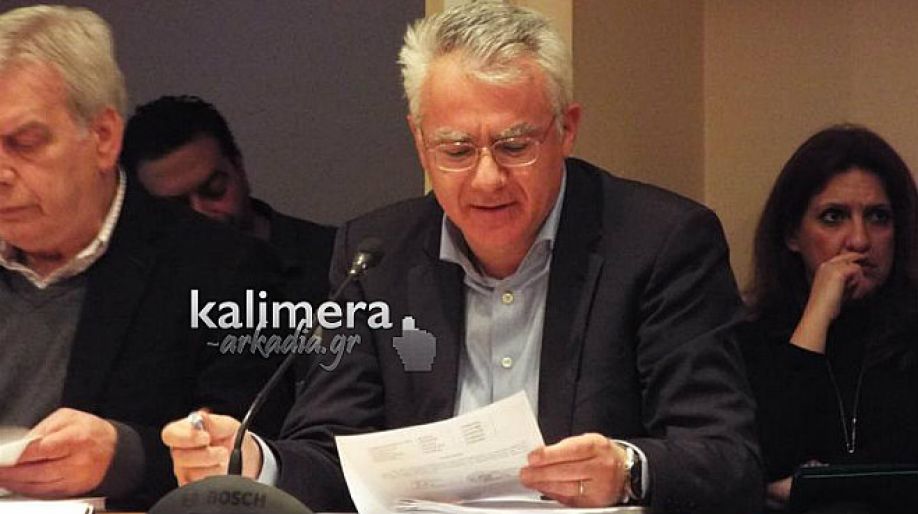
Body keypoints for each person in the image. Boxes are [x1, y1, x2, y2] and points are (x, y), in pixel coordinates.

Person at [162, 2, 763, 513]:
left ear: (567, 129)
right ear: (419, 141)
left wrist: (626, 469)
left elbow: (727, 456)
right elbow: (332, 452)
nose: (486, 179)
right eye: (455, 150)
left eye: (514, 146)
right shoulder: (374, 256)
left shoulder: (660, 242)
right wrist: (253, 459)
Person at [0, 5, 289, 509]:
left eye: (24, 143)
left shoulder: (223, 269)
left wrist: (127, 456)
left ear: (104, 137)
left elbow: (252, 455)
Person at [741, 125, 918, 513]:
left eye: (878, 217)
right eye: (833, 217)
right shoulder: (750, 337)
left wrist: (813, 488)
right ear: (792, 234)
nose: (859, 240)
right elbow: (766, 461)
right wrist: (817, 316)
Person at [120, 95, 335, 303]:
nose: (200, 213)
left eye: (215, 189)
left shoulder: (335, 262)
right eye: (176, 207)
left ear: (239, 168)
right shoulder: (139, 294)